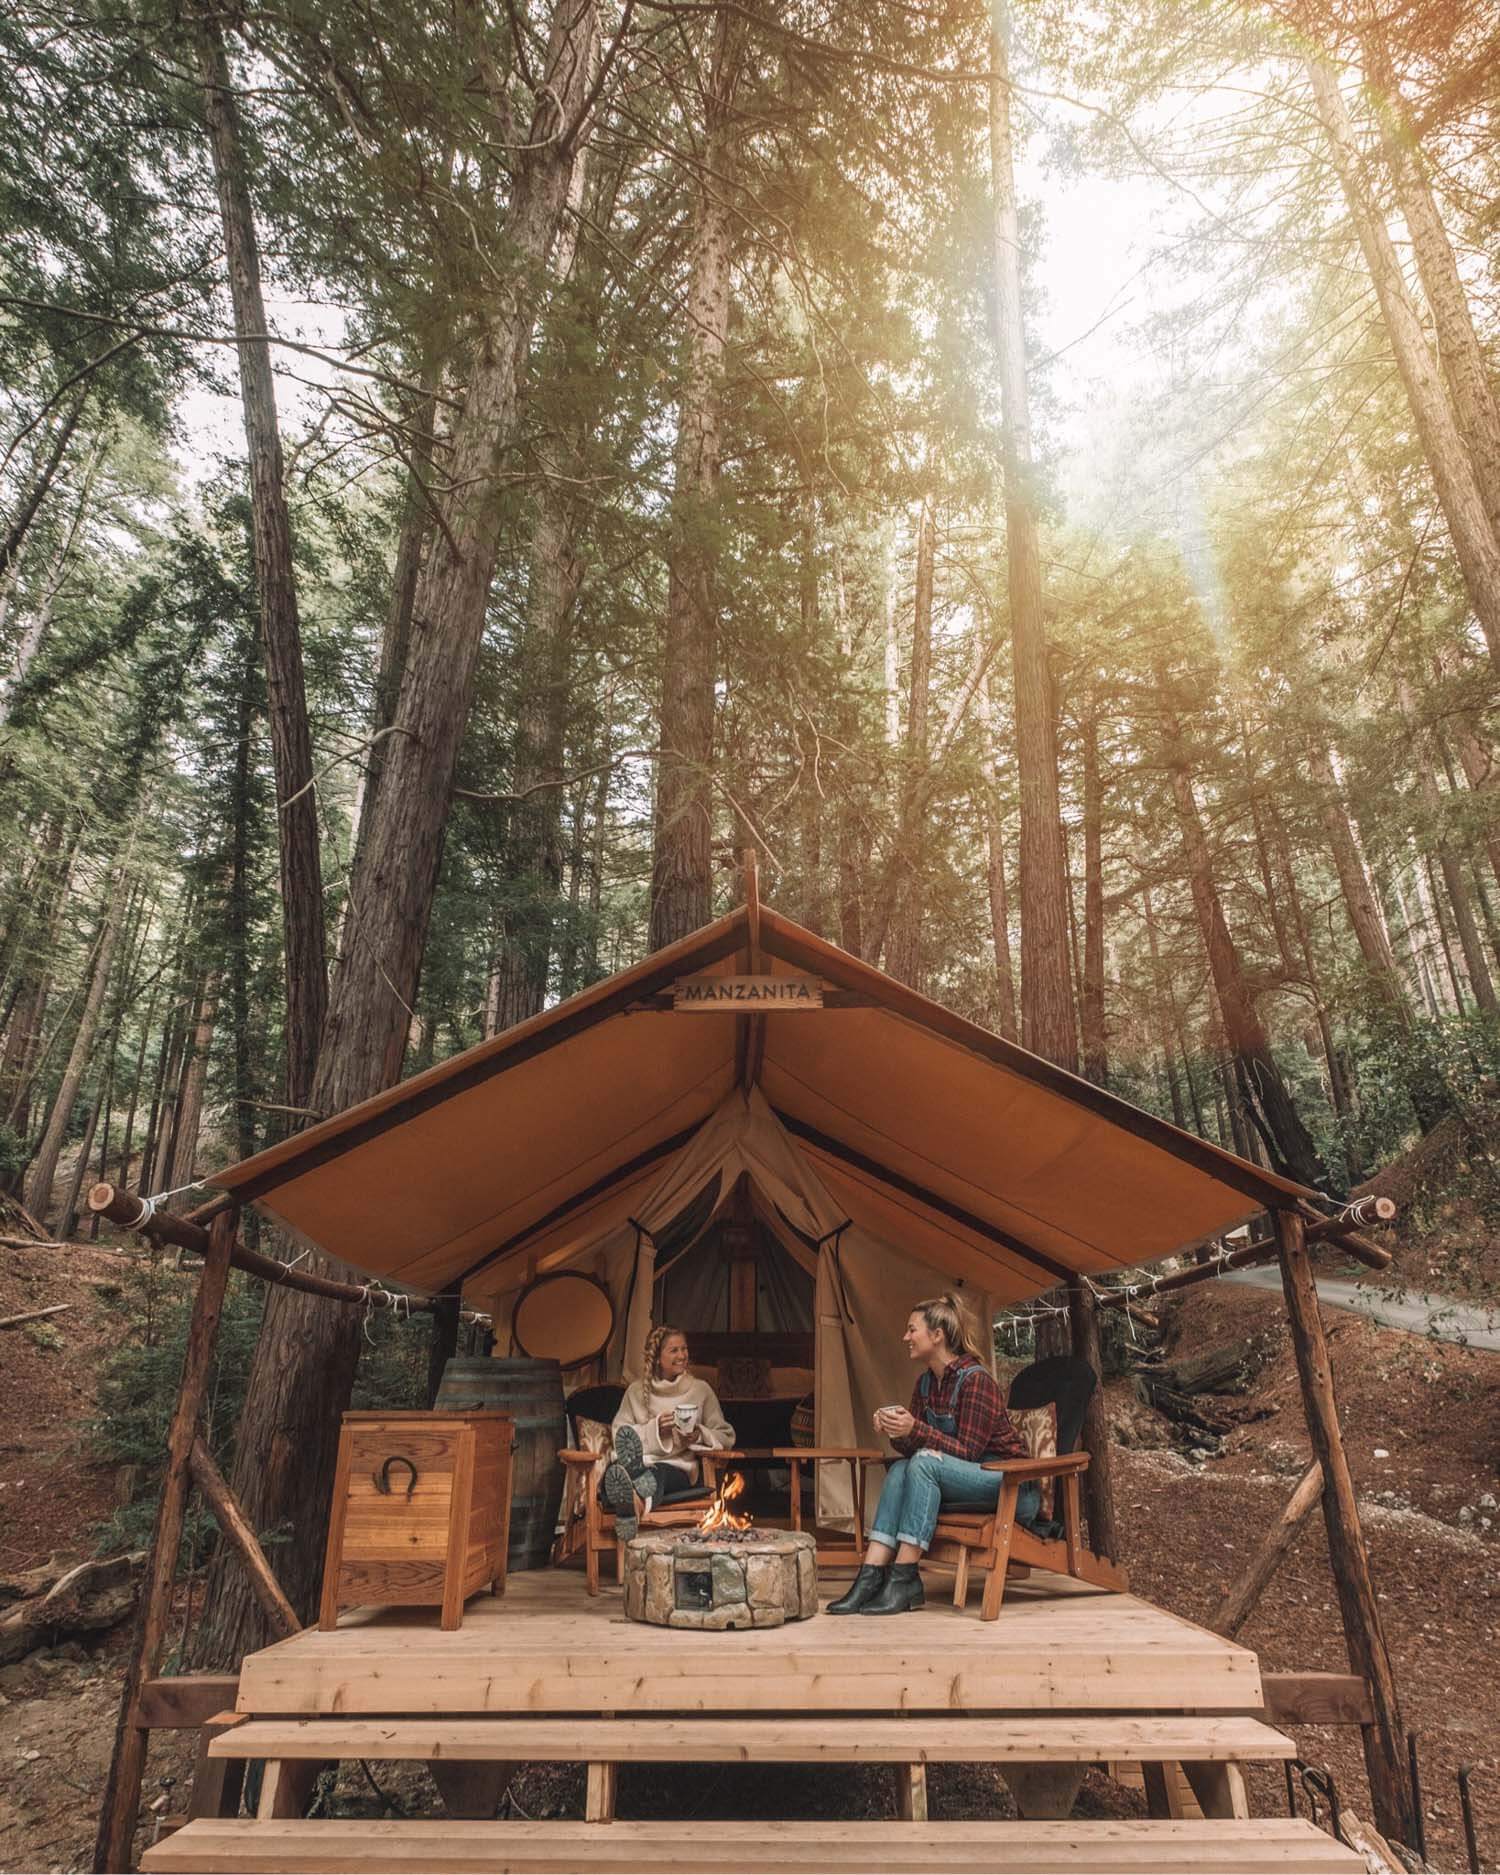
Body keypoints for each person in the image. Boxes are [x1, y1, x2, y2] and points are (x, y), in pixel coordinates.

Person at [827, 1291, 1034, 1615]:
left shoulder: (976, 1381)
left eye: (912, 1330)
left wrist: (916, 1430)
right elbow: (918, 1446)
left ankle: (905, 1576)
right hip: (961, 1479)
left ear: (937, 1335)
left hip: (1009, 1482)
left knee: (922, 1463)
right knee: (901, 1468)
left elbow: (968, 1452)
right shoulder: (926, 1384)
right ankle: (871, 1575)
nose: (905, 1337)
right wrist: (897, 1430)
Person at [601, 1324, 735, 1540]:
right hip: (639, 1461)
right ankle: (631, 1499)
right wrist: (655, 1430)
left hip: (676, 1466)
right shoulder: (635, 1392)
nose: (682, 1355)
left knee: (657, 1473)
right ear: (657, 1358)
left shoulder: (701, 1390)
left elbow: (725, 1435)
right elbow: (620, 1435)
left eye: (684, 1349)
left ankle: (633, 1504)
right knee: (614, 1473)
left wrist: (698, 1435)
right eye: (674, 1350)